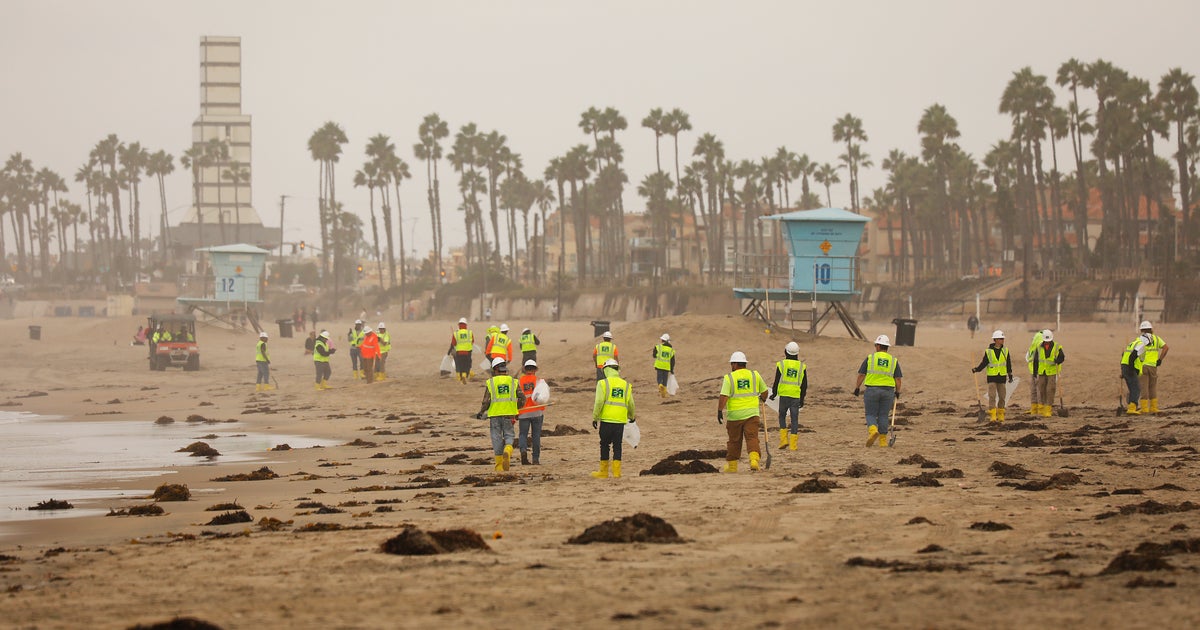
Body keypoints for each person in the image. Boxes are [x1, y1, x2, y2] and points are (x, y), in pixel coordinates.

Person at [717, 351, 769, 471]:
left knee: (734, 441)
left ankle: (732, 466)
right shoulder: (755, 375)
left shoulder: (729, 377)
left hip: (735, 416)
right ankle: (754, 460)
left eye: (732, 364)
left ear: (735, 364)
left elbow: (724, 396)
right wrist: (763, 399)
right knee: (752, 438)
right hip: (752, 414)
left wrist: (720, 410)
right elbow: (765, 392)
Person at [476, 357, 525, 472]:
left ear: (495, 369)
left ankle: (499, 467)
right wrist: (515, 408)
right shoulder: (513, 381)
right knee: (509, 435)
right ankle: (508, 450)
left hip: (494, 416)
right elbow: (522, 398)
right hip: (509, 415)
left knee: (496, 438)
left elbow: (486, 401)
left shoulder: (491, 382)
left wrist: (481, 412)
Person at [853, 335, 902, 448]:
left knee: (870, 413)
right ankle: (883, 441)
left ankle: (873, 430)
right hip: (888, 391)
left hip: (872, 390)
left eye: (876, 345)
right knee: (883, 415)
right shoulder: (893, 360)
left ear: (879, 346)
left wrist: (857, 387)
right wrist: (898, 391)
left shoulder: (871, 358)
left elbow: (861, 374)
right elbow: (898, 379)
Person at [591, 358, 635, 479]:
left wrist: (595, 417)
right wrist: (631, 416)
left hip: (606, 420)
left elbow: (599, 401)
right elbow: (631, 403)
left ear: (606, 369)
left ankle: (604, 472)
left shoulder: (602, 383)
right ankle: (616, 473)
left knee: (604, 445)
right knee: (617, 445)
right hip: (620, 421)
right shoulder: (625, 385)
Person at [769, 341, 807, 450]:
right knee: (794, 419)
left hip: (784, 395)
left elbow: (777, 380)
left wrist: (774, 393)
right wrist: (802, 398)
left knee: (782, 416)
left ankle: (783, 440)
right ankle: (793, 445)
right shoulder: (801, 366)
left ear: (785, 351)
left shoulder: (782, 364)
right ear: (797, 353)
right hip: (795, 396)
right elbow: (804, 385)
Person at [972, 330, 1013, 423]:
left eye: (1003, 338)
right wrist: (977, 369)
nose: (1002, 340)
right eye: (1000, 338)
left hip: (1002, 377)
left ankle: (1001, 413)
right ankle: (993, 415)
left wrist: (1010, 374)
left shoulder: (1005, 351)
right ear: (995, 340)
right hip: (992, 377)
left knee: (1002, 397)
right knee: (992, 396)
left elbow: (1008, 364)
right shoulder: (989, 351)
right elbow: (984, 363)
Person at [517, 359, 546, 465]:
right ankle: (535, 459)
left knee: (523, 435)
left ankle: (523, 451)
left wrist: (516, 412)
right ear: (535, 369)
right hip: (537, 412)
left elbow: (516, 397)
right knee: (536, 436)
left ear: (525, 369)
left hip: (523, 412)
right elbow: (544, 397)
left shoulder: (519, 381)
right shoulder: (539, 380)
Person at [1031, 330, 1065, 418]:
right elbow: (1035, 360)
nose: (1047, 342)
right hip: (1042, 372)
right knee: (1041, 389)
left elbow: (1062, 357)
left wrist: (1057, 360)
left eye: (1048, 341)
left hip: (1052, 372)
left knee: (1050, 389)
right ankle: (1042, 407)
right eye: (1045, 341)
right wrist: (1035, 372)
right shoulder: (1039, 347)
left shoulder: (1057, 347)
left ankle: (1048, 409)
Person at [1137, 321, 1169, 414]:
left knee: (1144, 387)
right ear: (1151, 329)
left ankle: (1144, 408)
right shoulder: (1157, 339)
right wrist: (1160, 359)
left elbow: (1135, 351)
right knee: (1152, 387)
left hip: (1142, 366)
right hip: (1153, 366)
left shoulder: (1140, 339)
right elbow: (1166, 348)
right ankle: (1154, 407)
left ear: (1142, 330)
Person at [1121, 329, 1149, 416]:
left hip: (1124, 366)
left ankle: (1131, 405)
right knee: (1136, 388)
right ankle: (1132, 408)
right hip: (1129, 367)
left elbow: (1124, 356)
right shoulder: (1141, 345)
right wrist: (1132, 369)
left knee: (1132, 388)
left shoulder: (1133, 343)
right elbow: (1132, 356)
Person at [1024, 330, 1046, 415]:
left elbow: (1028, 358)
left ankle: (1037, 409)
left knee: (1037, 390)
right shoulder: (1039, 346)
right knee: (1036, 390)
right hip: (1036, 371)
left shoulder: (1035, 346)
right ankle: (1036, 409)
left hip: (1037, 371)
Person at [447, 318, 475, 384]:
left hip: (459, 352)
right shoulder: (469, 332)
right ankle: (464, 376)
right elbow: (472, 341)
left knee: (460, 365)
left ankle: (460, 377)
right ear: (466, 325)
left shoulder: (456, 333)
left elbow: (453, 343)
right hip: (468, 352)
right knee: (466, 365)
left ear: (459, 325)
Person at [652, 334, 676, 399]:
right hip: (666, 367)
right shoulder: (671, 350)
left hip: (659, 366)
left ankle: (660, 385)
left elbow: (654, 355)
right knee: (665, 380)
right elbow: (673, 361)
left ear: (662, 340)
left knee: (659, 378)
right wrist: (672, 369)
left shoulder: (658, 347)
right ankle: (664, 394)